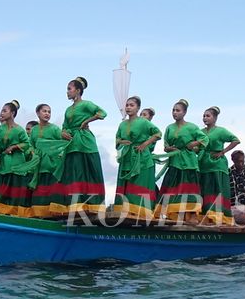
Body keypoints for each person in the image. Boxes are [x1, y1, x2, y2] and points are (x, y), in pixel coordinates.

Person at [54, 76, 107, 216]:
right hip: (72, 143)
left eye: (69, 89)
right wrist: (63, 133)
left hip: (85, 140)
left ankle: (92, 205)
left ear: (78, 91)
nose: (67, 92)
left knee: (89, 171)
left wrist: (87, 121)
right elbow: (64, 126)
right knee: (74, 172)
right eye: (67, 89)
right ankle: (74, 205)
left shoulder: (85, 104)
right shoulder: (68, 109)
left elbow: (102, 113)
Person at [157, 99, 208, 221]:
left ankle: (190, 215)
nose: (175, 113)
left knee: (188, 189)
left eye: (178, 110)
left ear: (184, 112)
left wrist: (193, 144)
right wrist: (168, 148)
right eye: (173, 110)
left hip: (189, 162)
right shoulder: (169, 128)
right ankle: (173, 215)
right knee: (172, 188)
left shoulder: (192, 127)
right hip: (175, 162)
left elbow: (205, 139)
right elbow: (165, 145)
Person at [114, 96, 161, 221]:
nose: (128, 107)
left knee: (138, 184)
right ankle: (126, 211)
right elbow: (117, 139)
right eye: (127, 105)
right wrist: (121, 141)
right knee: (127, 185)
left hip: (142, 159)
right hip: (127, 157)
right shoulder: (122, 124)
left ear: (138, 108)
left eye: (132, 105)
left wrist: (145, 144)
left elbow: (157, 133)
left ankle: (140, 213)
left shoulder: (144, 122)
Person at [198, 106, 240, 226]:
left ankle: (218, 216)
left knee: (217, 188)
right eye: (204, 116)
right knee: (204, 188)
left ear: (215, 118)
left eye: (208, 116)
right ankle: (205, 215)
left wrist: (223, 151)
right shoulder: (201, 132)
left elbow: (235, 140)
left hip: (217, 164)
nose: (205, 118)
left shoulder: (221, 131)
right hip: (203, 163)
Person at [0, 100, 33, 216]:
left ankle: (14, 213)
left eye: (5, 111)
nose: (2, 113)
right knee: (2, 187)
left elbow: (26, 144)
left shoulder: (19, 130)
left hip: (17, 163)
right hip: (3, 162)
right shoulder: (0, 129)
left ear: (12, 113)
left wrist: (14, 147)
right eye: (1, 111)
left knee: (14, 188)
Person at [28, 103, 64, 217]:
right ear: (38, 113)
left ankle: (53, 215)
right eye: (44, 111)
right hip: (39, 166)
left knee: (52, 191)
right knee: (39, 192)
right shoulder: (34, 130)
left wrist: (59, 154)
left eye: (49, 112)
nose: (47, 114)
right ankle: (38, 215)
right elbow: (30, 145)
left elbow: (63, 143)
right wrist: (33, 153)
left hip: (52, 166)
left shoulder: (54, 129)